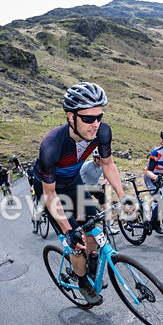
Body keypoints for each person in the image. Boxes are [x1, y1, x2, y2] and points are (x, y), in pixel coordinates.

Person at [32, 82, 127, 306]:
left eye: (99, 116)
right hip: (50, 191)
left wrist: (123, 196)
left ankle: (92, 262)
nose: (95, 124)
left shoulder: (102, 131)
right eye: (88, 119)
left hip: (73, 184)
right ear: (70, 117)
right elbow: (50, 193)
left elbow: (108, 164)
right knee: (76, 241)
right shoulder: (52, 145)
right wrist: (68, 230)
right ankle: (81, 279)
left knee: (93, 230)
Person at [79, 150, 119, 235]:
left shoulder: (103, 166)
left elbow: (106, 177)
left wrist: (103, 186)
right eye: (98, 159)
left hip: (96, 187)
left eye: (102, 159)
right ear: (94, 158)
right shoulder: (86, 166)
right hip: (84, 187)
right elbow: (78, 178)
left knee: (107, 207)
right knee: (86, 209)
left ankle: (109, 229)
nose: (100, 161)